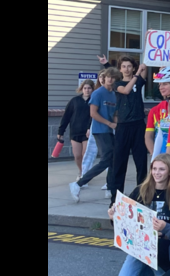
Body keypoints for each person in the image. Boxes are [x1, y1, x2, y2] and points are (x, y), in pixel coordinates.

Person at [111, 154, 170, 276]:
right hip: (140, 246)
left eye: (161, 169)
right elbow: (125, 223)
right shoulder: (140, 190)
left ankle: (160, 271)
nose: (157, 172)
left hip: (163, 246)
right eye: (154, 168)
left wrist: (164, 232)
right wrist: (114, 217)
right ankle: (148, 273)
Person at [70, 67, 121, 202]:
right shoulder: (98, 93)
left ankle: (110, 187)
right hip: (100, 130)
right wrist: (109, 124)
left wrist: (117, 124)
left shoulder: (114, 95)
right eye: (108, 77)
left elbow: (114, 114)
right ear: (103, 78)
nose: (110, 79)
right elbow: (93, 113)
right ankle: (78, 184)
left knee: (113, 159)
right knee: (106, 159)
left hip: (110, 131)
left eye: (113, 77)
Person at [109, 56, 149, 204]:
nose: (126, 69)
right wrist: (137, 74)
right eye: (124, 66)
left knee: (141, 163)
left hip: (138, 125)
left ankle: (142, 197)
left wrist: (142, 68)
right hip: (123, 126)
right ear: (120, 69)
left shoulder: (138, 80)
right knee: (119, 163)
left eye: (129, 66)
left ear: (133, 67)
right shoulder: (117, 84)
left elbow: (144, 70)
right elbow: (126, 91)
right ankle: (116, 199)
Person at [58, 78, 96, 176]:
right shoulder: (74, 101)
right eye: (85, 88)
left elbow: (94, 116)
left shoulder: (94, 101)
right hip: (75, 131)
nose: (87, 90)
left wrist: (89, 127)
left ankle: (84, 174)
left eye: (89, 88)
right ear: (82, 89)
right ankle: (81, 171)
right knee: (77, 156)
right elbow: (66, 116)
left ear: (92, 89)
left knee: (85, 155)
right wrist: (61, 131)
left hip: (87, 133)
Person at [145, 67, 170, 156]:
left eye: (165, 84)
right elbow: (148, 136)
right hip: (161, 159)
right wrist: (155, 155)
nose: (160, 87)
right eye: (159, 84)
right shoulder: (155, 110)